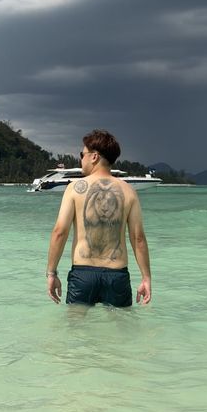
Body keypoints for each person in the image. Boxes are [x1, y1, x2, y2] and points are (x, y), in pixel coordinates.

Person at [46, 129, 151, 308]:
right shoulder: (129, 191)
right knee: (121, 325)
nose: (81, 159)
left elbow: (59, 232)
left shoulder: (74, 188)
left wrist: (51, 273)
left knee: (75, 324)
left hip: (83, 274)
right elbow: (138, 238)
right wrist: (146, 278)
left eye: (82, 155)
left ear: (94, 157)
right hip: (117, 275)